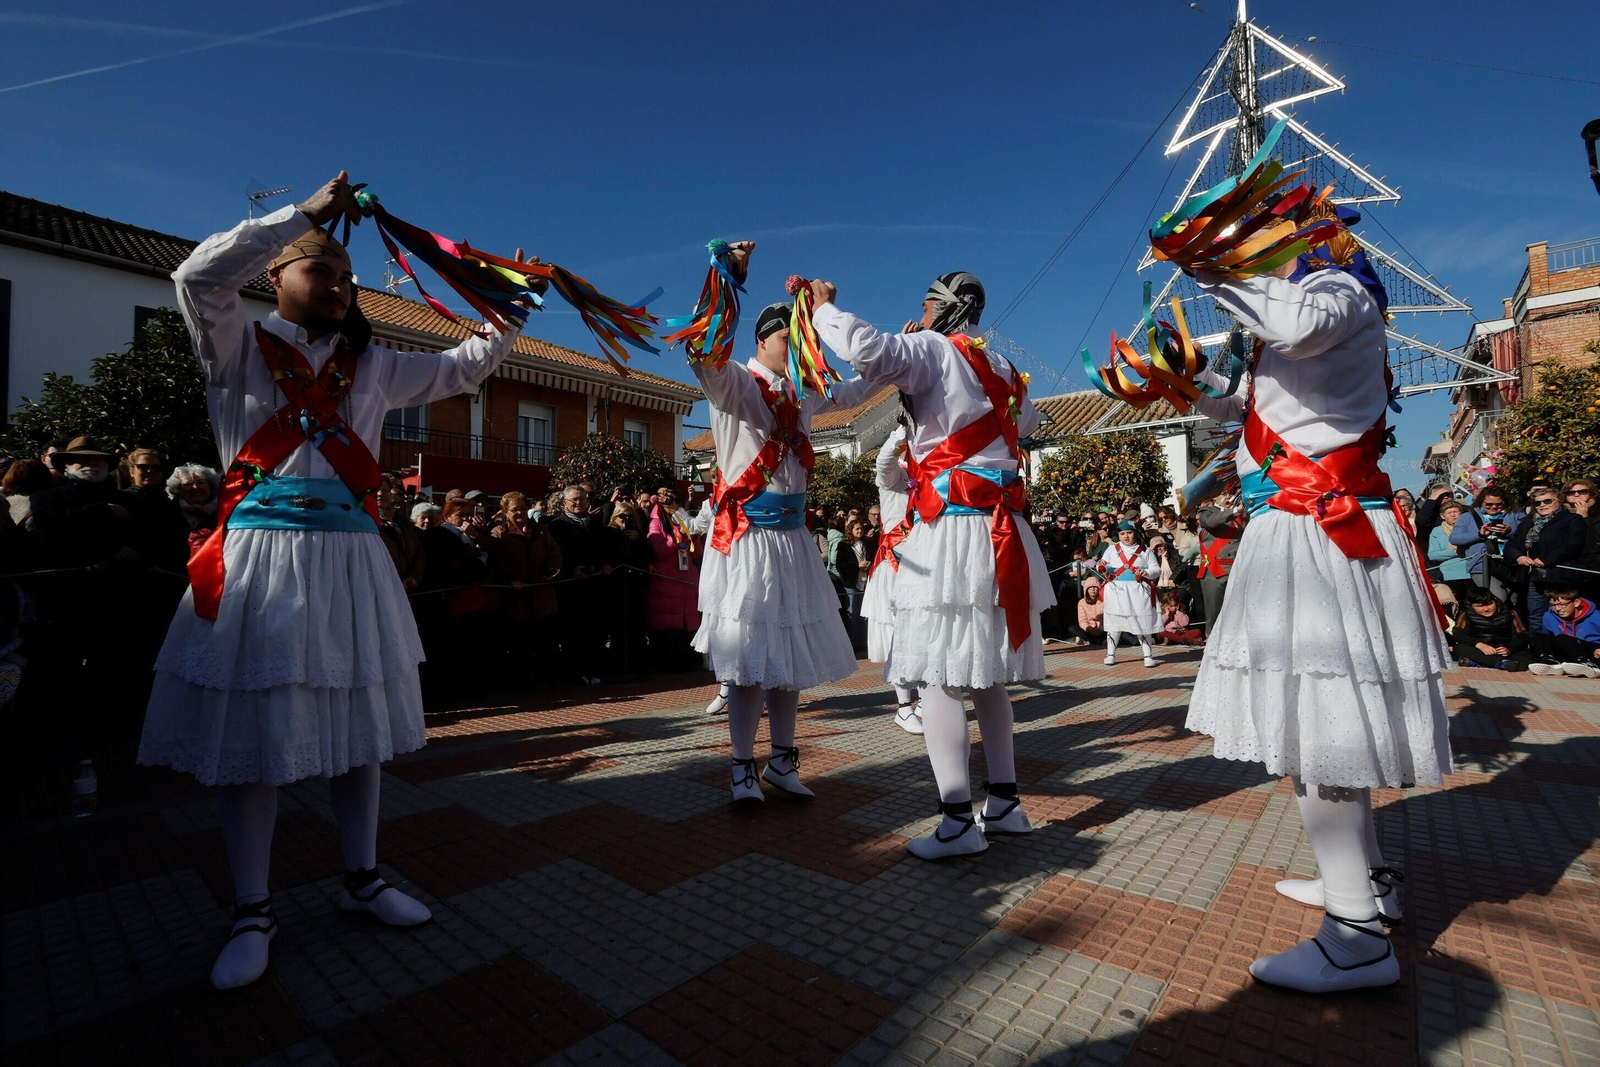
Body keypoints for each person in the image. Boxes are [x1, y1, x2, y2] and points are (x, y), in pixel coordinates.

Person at [134, 173, 531, 990]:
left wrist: (506, 310)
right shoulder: (235, 345)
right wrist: (303, 216)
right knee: (253, 741)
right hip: (262, 558)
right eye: (323, 270)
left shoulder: (376, 365)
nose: (341, 285)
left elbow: (461, 371)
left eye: (347, 278)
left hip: (350, 559)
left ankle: (363, 879)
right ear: (276, 274)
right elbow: (194, 276)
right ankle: (252, 908)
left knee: (358, 730)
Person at [1181, 216, 1452, 993]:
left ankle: (1356, 939)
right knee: (1326, 725)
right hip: (1306, 530)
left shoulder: (1332, 293)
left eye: (1267, 243)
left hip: (1318, 532)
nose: (1255, 255)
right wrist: (1194, 393)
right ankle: (1365, 885)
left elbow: (1293, 320)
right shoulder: (1314, 320)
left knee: (1318, 729)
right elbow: (1248, 417)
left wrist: (1208, 263)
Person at [813, 269, 1054, 860]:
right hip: (1003, 530)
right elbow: (1026, 428)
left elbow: (869, 349)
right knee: (988, 676)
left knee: (941, 677)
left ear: (946, 307)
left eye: (924, 302)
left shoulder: (934, 349)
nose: (917, 312)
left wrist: (822, 310)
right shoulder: (1001, 367)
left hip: (954, 530)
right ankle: (1004, 803)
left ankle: (956, 822)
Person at [688, 245, 875, 806]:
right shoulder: (736, 387)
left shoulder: (801, 393)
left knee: (787, 659)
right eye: (787, 337)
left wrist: (882, 353)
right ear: (762, 340)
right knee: (749, 660)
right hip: (746, 539)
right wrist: (727, 280)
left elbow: (851, 390)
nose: (795, 346)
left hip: (792, 540)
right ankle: (742, 768)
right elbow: (705, 358)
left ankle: (782, 763)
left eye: (800, 337)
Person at [864, 422, 921, 733]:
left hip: (924, 564)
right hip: (895, 564)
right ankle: (903, 707)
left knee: (926, 633)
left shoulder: (924, 473)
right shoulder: (894, 476)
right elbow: (883, 461)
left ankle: (926, 701)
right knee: (899, 638)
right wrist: (900, 434)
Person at [486, 491, 561, 678]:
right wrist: (510, 579)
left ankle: (547, 677)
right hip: (516, 597)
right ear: (505, 512)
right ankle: (521, 678)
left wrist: (551, 572)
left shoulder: (542, 530)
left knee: (545, 640)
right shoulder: (500, 532)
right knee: (519, 642)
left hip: (541, 595)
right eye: (514, 509)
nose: (519, 512)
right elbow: (497, 561)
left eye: (522, 508)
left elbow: (554, 554)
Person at [1505, 485, 1586, 635]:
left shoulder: (1572, 520)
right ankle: (1541, 650)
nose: (1542, 505)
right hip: (1535, 577)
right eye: (1537, 503)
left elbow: (1573, 543)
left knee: (1563, 614)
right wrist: (1518, 556)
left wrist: (1545, 559)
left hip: (1560, 575)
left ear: (1558, 502)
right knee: (1536, 615)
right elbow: (1512, 543)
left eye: (1547, 501)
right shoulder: (1528, 523)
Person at [645, 497, 701, 671]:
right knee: (668, 625)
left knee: (688, 624)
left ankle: (688, 660)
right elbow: (658, 549)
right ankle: (668, 663)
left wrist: (694, 539)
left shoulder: (685, 523)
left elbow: (697, 553)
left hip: (687, 579)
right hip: (667, 580)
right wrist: (676, 541)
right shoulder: (656, 523)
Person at [1095, 521, 1161, 667]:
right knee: (1114, 623)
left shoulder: (1145, 551)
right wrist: (1102, 565)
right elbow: (1103, 563)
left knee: (1142, 623)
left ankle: (1148, 656)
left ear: (1135, 533)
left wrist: (1146, 572)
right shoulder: (1112, 549)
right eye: (1122, 533)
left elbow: (1157, 569)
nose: (1126, 536)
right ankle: (1110, 654)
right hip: (1117, 590)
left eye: (1129, 533)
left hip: (1138, 590)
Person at [1449, 485, 1522, 599]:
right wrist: (1479, 534)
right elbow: (1454, 538)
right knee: (1497, 599)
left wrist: (1510, 532)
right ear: (1481, 502)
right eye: (1489, 504)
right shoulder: (1467, 517)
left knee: (1514, 601)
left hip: (1510, 565)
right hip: (1481, 566)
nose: (1493, 507)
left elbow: (1528, 535)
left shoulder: (1516, 514)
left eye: (1498, 504)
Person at [1450, 586, 1529, 671]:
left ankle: (1477, 662)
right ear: (1471, 605)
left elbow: (1522, 635)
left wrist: (1509, 648)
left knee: (1528, 657)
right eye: (1479, 606)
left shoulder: (1511, 613)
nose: (1486, 609)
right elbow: (1458, 634)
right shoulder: (1466, 614)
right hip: (1479, 650)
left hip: (1503, 650)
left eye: (1489, 604)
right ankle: (1501, 663)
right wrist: (1480, 645)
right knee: (1459, 648)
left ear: (1495, 600)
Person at [1194, 496, 1243, 632]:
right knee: (1214, 616)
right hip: (1215, 571)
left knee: (1237, 615)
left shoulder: (1245, 512)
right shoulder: (1207, 511)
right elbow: (1209, 522)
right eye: (1225, 493)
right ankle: (1211, 648)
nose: (1229, 496)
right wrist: (1236, 510)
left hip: (1237, 569)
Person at [1527, 586, 1600, 678]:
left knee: (1562, 638)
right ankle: (1549, 662)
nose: (1557, 609)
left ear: (1576, 602)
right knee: (1539, 637)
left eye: (1562, 604)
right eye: (1553, 605)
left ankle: (1587, 664)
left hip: (1593, 651)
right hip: (1566, 650)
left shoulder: (1597, 616)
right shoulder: (1549, 616)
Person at [377, 474, 426, 595]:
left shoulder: (402, 522)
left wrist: (414, 576)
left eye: (384, 490)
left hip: (405, 589)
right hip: (381, 588)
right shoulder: (365, 521)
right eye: (376, 490)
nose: (380, 494)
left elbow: (419, 552)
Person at [1426, 499, 1473, 604]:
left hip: (1472, 572)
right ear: (1442, 516)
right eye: (1449, 513)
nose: (1453, 515)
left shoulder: (1471, 528)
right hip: (1449, 575)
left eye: (1456, 512)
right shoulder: (1437, 531)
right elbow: (1432, 555)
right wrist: (1455, 552)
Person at [1560, 478, 1600, 601]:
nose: (1576, 495)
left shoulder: (1597, 512)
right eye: (1571, 493)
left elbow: (1595, 538)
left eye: (1582, 491)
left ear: (1591, 494)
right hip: (1567, 569)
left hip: (1592, 568)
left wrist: (1584, 518)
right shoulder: (1561, 512)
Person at [1073, 576, 1107, 646]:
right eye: (1090, 588)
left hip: (1103, 630)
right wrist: (1090, 629)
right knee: (1072, 628)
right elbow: (1082, 620)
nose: (1093, 590)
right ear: (1086, 589)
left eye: (1095, 587)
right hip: (1089, 630)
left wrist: (1101, 629)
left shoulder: (1104, 601)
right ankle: (1092, 640)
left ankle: (1094, 641)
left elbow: (1107, 619)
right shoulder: (1082, 602)